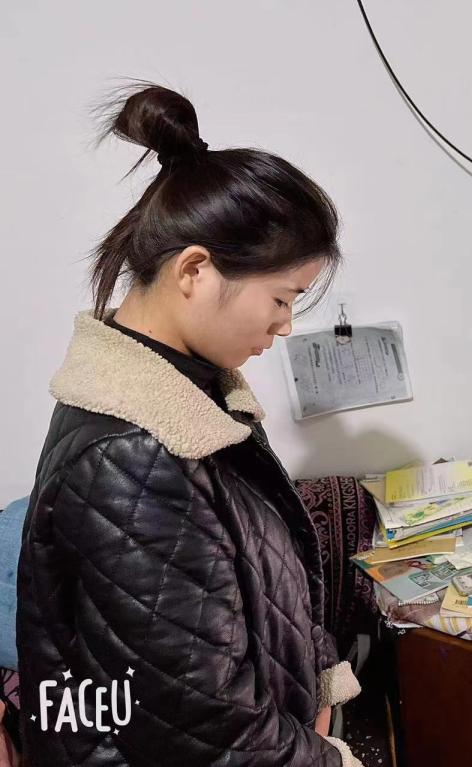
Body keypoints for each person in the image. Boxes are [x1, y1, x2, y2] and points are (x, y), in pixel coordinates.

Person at [16, 83, 361, 766]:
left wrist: (315, 682)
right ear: (196, 270)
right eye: (281, 298)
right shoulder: (132, 454)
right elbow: (205, 731)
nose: (286, 325)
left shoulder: (194, 396)